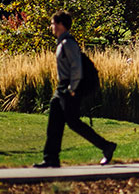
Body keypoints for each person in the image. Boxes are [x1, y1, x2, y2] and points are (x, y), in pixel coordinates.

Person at [35, 11, 117, 168]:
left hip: (69, 87)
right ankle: (51, 158)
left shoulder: (68, 43)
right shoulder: (62, 42)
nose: (51, 27)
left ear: (60, 25)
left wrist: (72, 88)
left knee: (73, 122)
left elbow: (76, 67)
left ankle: (106, 146)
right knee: (54, 121)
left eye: (53, 24)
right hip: (62, 87)